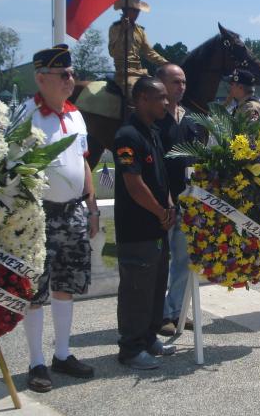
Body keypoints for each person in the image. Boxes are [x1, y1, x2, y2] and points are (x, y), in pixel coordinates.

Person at [21, 44, 99, 393]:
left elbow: (83, 162)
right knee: (35, 291)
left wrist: (92, 205)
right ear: (41, 78)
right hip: (37, 215)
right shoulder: (26, 117)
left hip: (72, 213)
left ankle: (63, 354)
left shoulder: (75, 114)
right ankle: (37, 361)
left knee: (67, 284)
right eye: (64, 74)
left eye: (71, 73)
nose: (71, 79)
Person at [113, 76, 177, 370]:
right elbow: (134, 184)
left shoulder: (151, 132)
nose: (166, 102)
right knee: (136, 291)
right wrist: (159, 212)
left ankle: (149, 338)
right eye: (160, 97)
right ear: (141, 100)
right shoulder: (128, 136)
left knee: (154, 286)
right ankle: (131, 348)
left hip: (156, 227)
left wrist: (169, 206)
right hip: (138, 228)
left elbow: (159, 178)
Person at [155, 63, 203, 336]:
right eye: (175, 82)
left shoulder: (190, 119)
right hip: (161, 202)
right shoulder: (155, 118)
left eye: (183, 82)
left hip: (188, 200)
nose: (181, 87)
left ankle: (176, 310)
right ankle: (159, 314)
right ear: (160, 83)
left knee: (184, 259)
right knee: (161, 261)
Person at [108, 0, 168, 101]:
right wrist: (123, 32)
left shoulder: (139, 30)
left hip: (140, 72)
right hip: (124, 73)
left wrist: (166, 63)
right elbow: (113, 52)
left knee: (158, 89)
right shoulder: (115, 28)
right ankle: (130, 117)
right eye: (134, 11)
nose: (137, 14)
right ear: (125, 10)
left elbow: (149, 52)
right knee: (134, 94)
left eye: (138, 11)